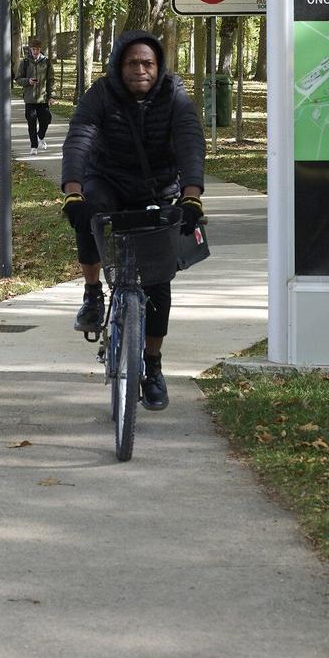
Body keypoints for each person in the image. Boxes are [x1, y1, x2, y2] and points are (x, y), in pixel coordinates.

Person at [59, 30, 205, 411]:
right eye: (132, 63)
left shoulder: (173, 94)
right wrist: (73, 189)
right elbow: (80, 136)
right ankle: (93, 293)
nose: (140, 70)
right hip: (107, 177)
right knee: (90, 212)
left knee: (158, 282)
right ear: (118, 66)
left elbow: (189, 139)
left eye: (148, 64)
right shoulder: (102, 94)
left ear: (158, 67)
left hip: (157, 187)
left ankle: (152, 367)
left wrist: (191, 196)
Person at [14, 37, 54, 149]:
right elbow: (17, 79)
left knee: (46, 120)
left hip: (43, 98)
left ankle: (40, 136)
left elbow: (51, 80)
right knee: (31, 122)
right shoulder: (25, 62)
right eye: (33, 49)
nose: (35, 51)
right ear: (30, 49)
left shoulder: (46, 62)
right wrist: (28, 81)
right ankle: (34, 146)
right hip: (29, 99)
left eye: (37, 49)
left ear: (40, 49)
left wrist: (52, 96)